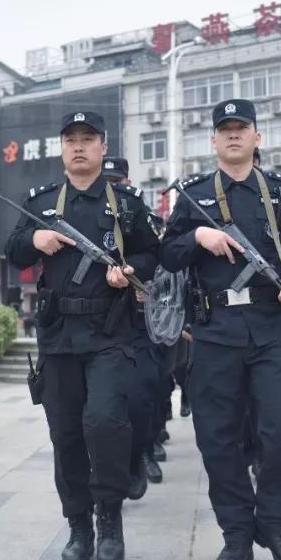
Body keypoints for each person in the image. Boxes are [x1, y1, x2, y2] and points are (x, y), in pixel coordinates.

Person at [161, 98, 281, 560]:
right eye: (224, 129)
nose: (233, 135)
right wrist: (197, 240)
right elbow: (165, 255)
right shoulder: (191, 197)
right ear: (212, 140)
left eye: (241, 128)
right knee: (219, 438)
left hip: (272, 329)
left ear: (257, 137)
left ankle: (275, 524)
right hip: (214, 334)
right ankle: (235, 534)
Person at [4, 111, 159, 560]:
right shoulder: (43, 201)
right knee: (66, 435)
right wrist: (36, 236)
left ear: (102, 147)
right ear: (62, 149)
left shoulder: (126, 203)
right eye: (70, 139)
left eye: (87, 139)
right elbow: (13, 250)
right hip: (58, 339)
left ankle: (109, 518)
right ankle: (78, 525)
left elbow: (155, 251)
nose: (78, 146)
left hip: (112, 335)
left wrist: (130, 272)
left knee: (107, 425)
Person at [102, 156, 165, 494]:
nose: (112, 186)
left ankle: (142, 453)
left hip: (141, 321)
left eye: (117, 181)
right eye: (106, 180)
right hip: (101, 323)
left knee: (144, 395)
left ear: (127, 181)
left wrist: (142, 281)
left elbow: (162, 264)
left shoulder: (142, 216)